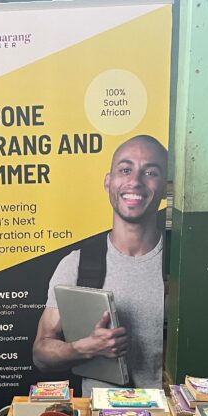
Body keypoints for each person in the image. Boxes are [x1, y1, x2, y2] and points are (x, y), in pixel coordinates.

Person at [33, 134, 167, 395]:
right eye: (125, 170)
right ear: (108, 182)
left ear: (164, 189)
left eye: (150, 172)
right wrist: (84, 348)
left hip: (170, 415)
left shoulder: (181, 266)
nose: (135, 181)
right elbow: (41, 353)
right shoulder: (77, 265)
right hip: (100, 415)